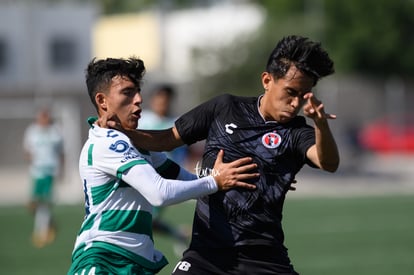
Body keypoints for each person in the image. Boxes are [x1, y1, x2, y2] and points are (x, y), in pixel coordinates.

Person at [101, 35, 340, 275]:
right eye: (290, 92)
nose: (295, 102)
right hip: (206, 255)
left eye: (303, 95)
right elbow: (166, 139)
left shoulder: (297, 132)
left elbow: (328, 162)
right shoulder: (225, 108)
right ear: (267, 80)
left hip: (264, 258)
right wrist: (122, 132)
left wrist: (320, 124)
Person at [67, 57, 259, 275]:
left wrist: (235, 176)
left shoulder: (134, 142)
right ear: (102, 101)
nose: (138, 99)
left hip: (132, 263)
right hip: (104, 262)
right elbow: (160, 193)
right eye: (127, 93)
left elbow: (184, 180)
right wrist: (215, 181)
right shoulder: (108, 142)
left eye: (138, 91)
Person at [139, 84, 191, 254]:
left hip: (162, 178)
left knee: (148, 219)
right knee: (142, 219)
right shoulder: (143, 119)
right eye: (159, 99)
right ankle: (178, 234)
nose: (161, 103)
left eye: (165, 100)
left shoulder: (174, 124)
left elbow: (182, 152)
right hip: (139, 175)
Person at [23, 107, 64, 248]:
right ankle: (50, 223)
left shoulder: (56, 132)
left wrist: (61, 171)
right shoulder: (32, 131)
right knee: (33, 204)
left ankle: (41, 233)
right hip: (36, 171)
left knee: (44, 202)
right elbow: (27, 150)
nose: (43, 120)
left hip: (50, 171)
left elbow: (61, 152)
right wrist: (30, 163)